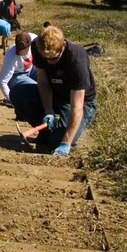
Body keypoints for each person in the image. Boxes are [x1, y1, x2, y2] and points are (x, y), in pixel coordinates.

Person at [30, 26, 98, 156]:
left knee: (57, 143)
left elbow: (77, 107)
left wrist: (65, 143)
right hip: (56, 94)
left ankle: (59, 136)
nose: (50, 62)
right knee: (18, 93)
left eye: (54, 58)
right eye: (46, 59)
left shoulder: (76, 59)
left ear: (63, 46)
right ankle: (46, 132)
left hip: (79, 102)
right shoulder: (37, 46)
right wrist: (48, 110)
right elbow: (43, 81)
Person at [0, 31, 41, 121]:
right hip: (17, 75)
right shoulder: (11, 57)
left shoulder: (34, 39)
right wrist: (13, 100)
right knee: (36, 88)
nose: (20, 52)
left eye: (23, 50)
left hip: (31, 69)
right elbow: (1, 81)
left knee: (46, 79)